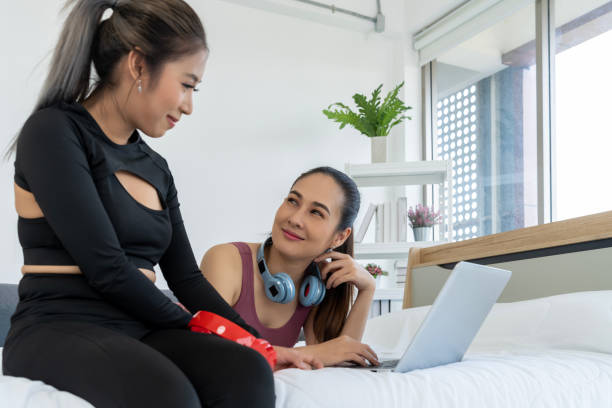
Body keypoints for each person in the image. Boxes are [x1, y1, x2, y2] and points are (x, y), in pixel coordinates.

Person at [2, 1, 317, 407]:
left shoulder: (156, 168)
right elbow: (107, 268)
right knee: (169, 395)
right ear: (138, 65)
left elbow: (186, 278)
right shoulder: (53, 133)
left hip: (139, 328)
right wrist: (201, 327)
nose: (189, 105)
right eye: (187, 84)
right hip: (57, 327)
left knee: (246, 370)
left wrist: (257, 345)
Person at [201, 167, 380, 367]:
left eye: (316, 212)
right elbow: (206, 352)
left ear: (340, 237)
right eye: (293, 201)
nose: (294, 219)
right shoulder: (225, 260)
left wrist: (367, 289)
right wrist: (309, 353)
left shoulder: (314, 287)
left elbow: (339, 358)